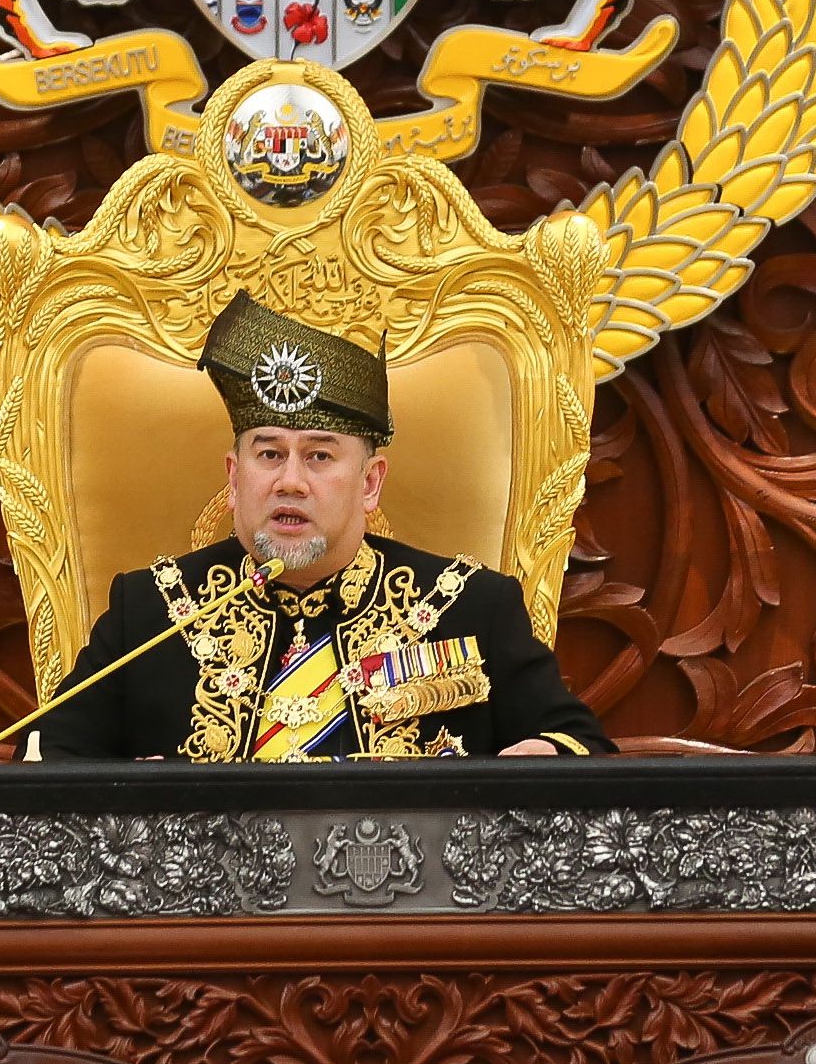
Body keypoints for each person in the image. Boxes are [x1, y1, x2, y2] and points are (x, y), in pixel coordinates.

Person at [34, 292, 608, 761]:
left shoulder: (471, 607)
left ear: (369, 482)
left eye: (320, 456)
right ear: (234, 478)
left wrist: (542, 759)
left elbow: (584, 749)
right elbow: (45, 760)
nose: (289, 482)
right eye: (268, 454)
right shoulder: (150, 611)